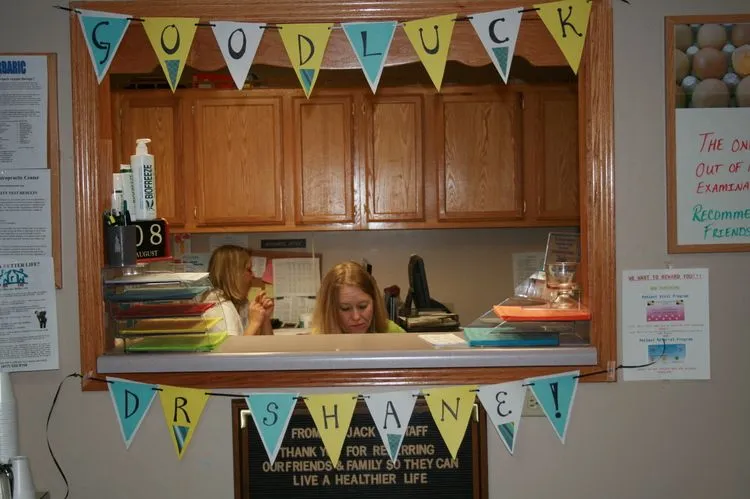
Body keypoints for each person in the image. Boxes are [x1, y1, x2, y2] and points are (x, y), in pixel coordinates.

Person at [311, 261, 405, 334]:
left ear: (374, 302)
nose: (356, 317)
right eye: (345, 308)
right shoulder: (318, 340)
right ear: (330, 310)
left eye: (362, 306)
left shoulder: (391, 332)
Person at [202, 245, 274, 336]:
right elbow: (233, 349)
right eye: (249, 270)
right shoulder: (221, 308)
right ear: (234, 274)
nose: (253, 275)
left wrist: (265, 318)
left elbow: (266, 345)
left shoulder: (242, 304)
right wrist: (254, 324)